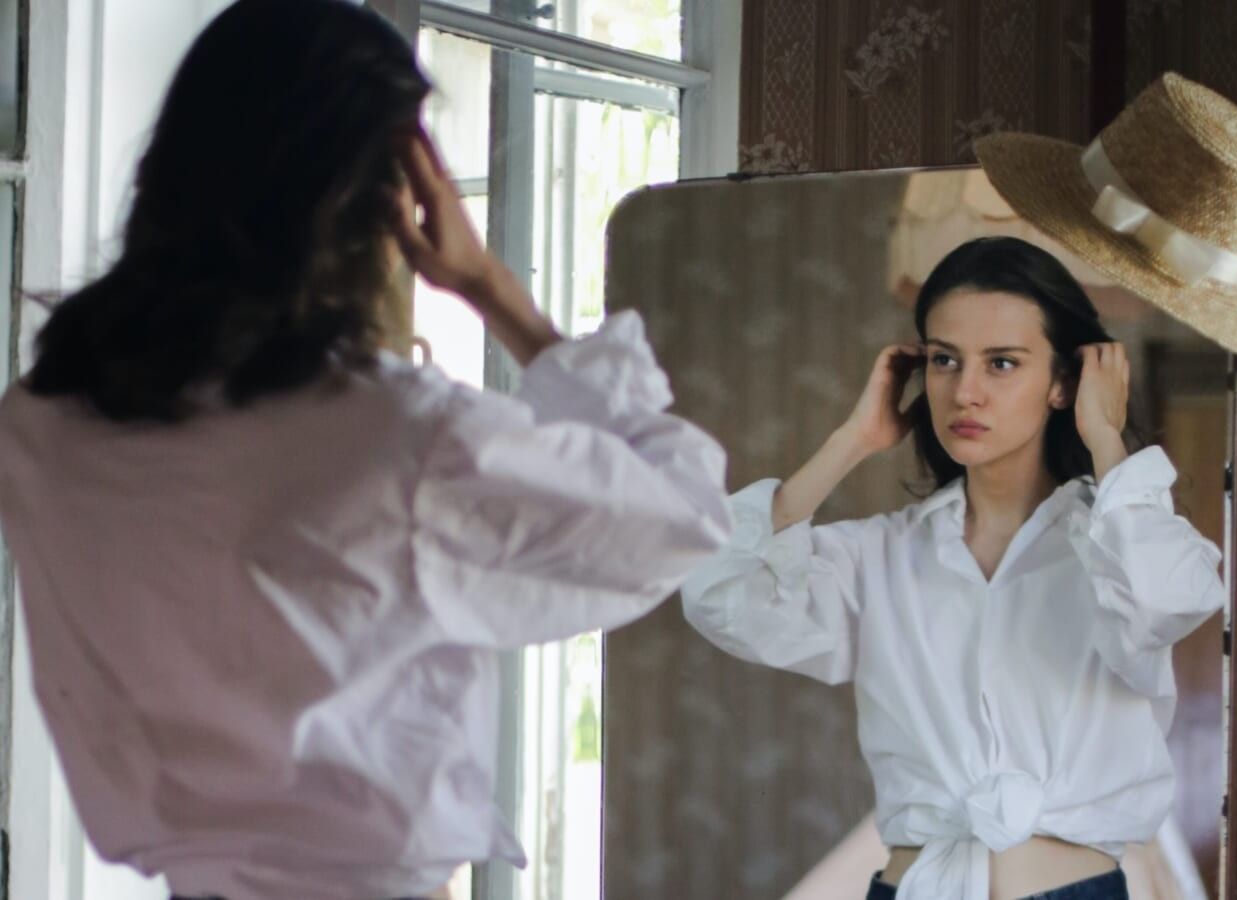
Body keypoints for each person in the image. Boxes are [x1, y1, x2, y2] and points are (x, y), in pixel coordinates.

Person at [0, 1, 729, 898]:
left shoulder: (39, 427)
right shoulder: (399, 440)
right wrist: (494, 290)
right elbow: (684, 514)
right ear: (387, 199)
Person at [681, 236, 1227, 900]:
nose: (965, 392)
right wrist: (851, 441)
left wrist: (1106, 439)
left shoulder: (1118, 548)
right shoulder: (879, 557)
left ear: (1063, 382)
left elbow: (1166, 600)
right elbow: (718, 593)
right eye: (944, 360)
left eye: (1002, 363)